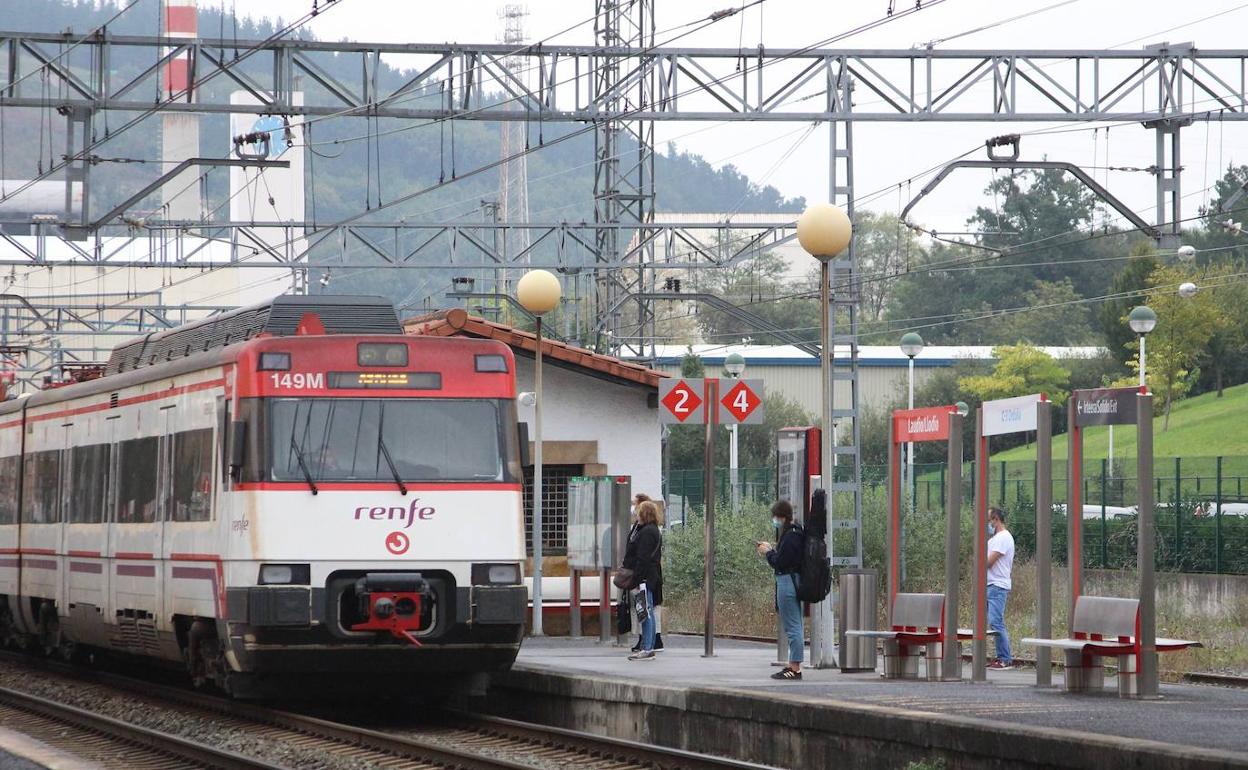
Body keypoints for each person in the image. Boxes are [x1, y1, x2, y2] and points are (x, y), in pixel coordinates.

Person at [757, 500, 804, 680]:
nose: (774, 520)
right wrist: (771, 549)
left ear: (782, 517)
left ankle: (795, 667)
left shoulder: (791, 536)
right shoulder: (795, 532)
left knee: (793, 626)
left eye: (776, 517)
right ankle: (794, 665)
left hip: (787, 582)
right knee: (794, 624)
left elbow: (780, 562)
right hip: (792, 580)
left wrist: (768, 552)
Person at [624, 494, 664, 653]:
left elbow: (642, 557)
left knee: (646, 613)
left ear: (644, 513)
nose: (635, 513)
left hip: (644, 577)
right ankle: (649, 644)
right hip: (649, 575)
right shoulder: (651, 529)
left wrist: (636, 578)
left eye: (637, 510)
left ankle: (647, 647)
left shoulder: (647, 532)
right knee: (648, 611)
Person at [986, 506, 1015, 669]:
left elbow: (989, 562)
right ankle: (1000, 657)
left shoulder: (1004, 537)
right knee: (993, 622)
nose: (987, 524)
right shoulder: (993, 539)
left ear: (995, 519)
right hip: (990, 584)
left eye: (988, 520)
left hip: (997, 585)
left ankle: (1005, 658)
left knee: (996, 622)